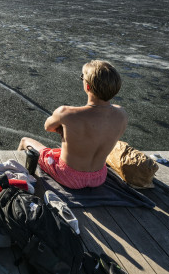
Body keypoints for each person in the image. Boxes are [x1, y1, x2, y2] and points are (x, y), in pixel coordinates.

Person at [18, 60, 128, 189]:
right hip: (99, 177)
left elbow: (48, 127)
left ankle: (16, 174)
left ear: (87, 87)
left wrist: (65, 128)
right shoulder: (122, 114)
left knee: (25, 140)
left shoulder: (67, 113)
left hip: (68, 176)